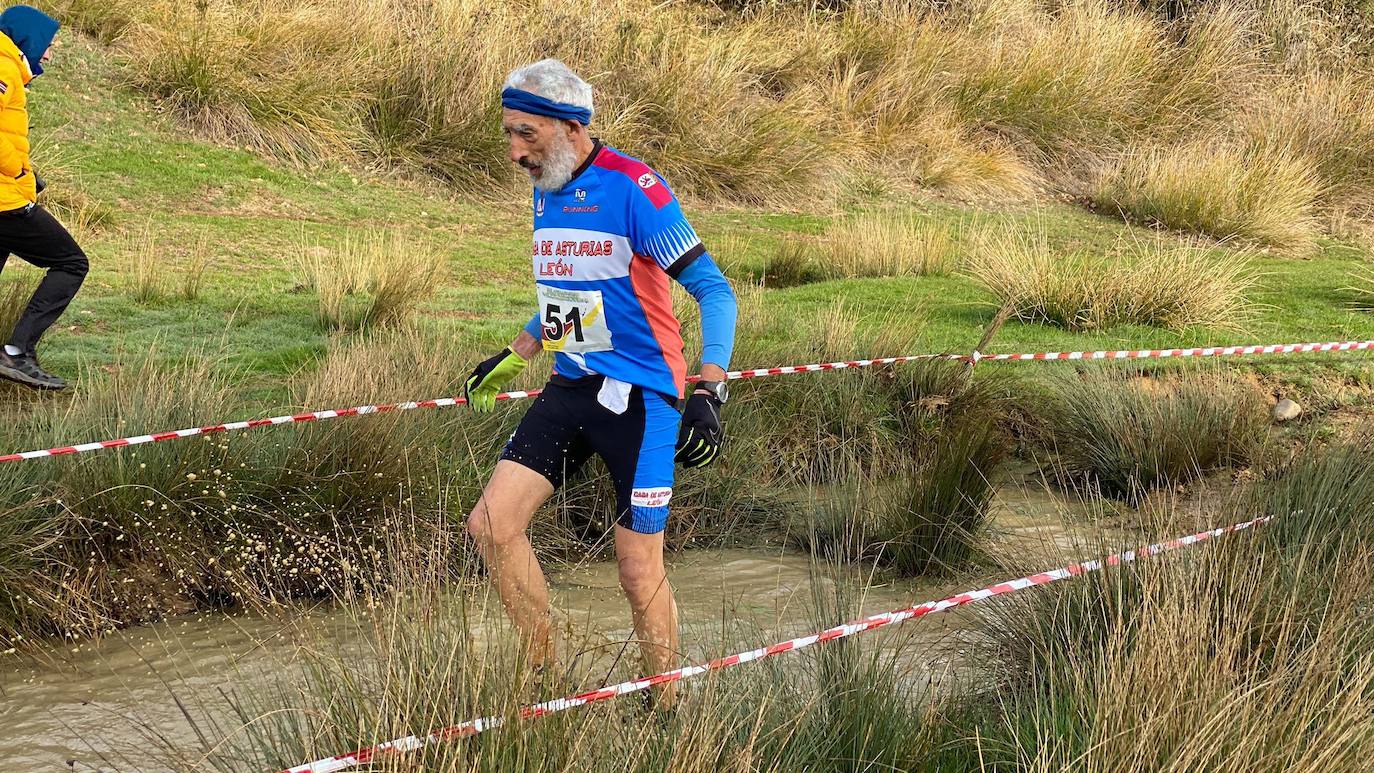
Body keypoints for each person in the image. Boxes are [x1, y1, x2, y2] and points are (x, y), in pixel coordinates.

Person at [464, 59, 737, 709]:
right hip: (570, 386)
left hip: (642, 398)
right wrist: (518, 349)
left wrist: (709, 387)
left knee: (638, 569)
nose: (513, 151)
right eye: (507, 133)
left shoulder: (635, 188)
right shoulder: (546, 182)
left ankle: (664, 707)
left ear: (572, 126)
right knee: (490, 525)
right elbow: (574, 287)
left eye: (525, 134)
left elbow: (714, 291)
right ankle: (546, 685)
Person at [0, 6, 84, 390]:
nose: (48, 54)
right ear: (27, 39)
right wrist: (17, 168)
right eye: (47, 45)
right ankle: (17, 353)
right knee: (71, 262)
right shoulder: (2, 69)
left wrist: (29, 175)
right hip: (4, 202)